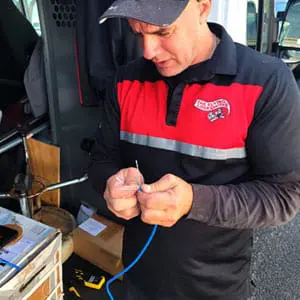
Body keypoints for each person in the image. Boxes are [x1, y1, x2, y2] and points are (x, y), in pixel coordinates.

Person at [88, 0, 300, 299]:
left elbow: (283, 196)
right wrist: (109, 185)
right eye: (138, 34)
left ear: (202, 8)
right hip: (136, 280)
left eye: (163, 32)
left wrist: (193, 202)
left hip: (215, 287)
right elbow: (101, 161)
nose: (148, 51)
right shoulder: (124, 81)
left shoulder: (266, 81)